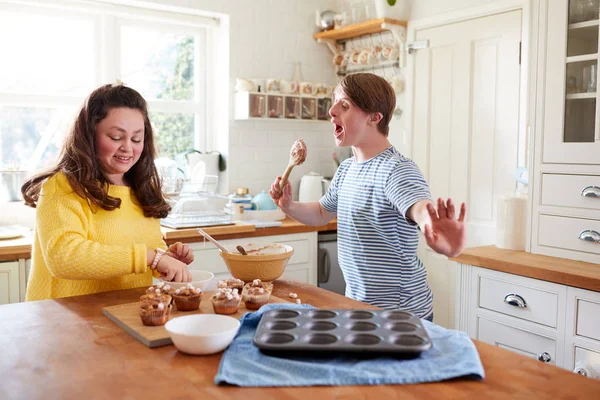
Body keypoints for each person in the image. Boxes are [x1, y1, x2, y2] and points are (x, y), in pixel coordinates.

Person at [270, 73, 467, 320]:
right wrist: (289, 206)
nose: (331, 111)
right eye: (334, 102)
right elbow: (322, 212)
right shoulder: (346, 169)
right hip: (360, 307)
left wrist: (433, 227)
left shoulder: (396, 169)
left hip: (400, 315)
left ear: (374, 117)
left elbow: (418, 207)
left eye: (344, 105)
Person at [21, 83, 193, 301]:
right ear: (89, 135)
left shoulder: (141, 188)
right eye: (116, 137)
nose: (128, 148)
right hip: (64, 321)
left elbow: (147, 249)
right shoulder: (62, 186)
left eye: (136, 138)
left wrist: (166, 258)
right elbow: (64, 257)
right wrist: (150, 257)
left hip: (127, 315)